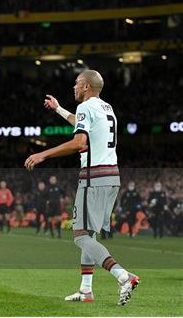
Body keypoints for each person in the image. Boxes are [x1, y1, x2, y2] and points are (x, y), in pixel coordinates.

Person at [24, 70, 139, 305]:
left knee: (79, 236)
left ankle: (123, 275)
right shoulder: (107, 108)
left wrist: (43, 154)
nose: (74, 87)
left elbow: (79, 142)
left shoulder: (86, 107)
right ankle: (86, 291)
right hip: (111, 176)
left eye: (77, 83)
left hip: (93, 177)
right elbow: (82, 126)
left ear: (86, 86)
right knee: (89, 234)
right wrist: (58, 109)